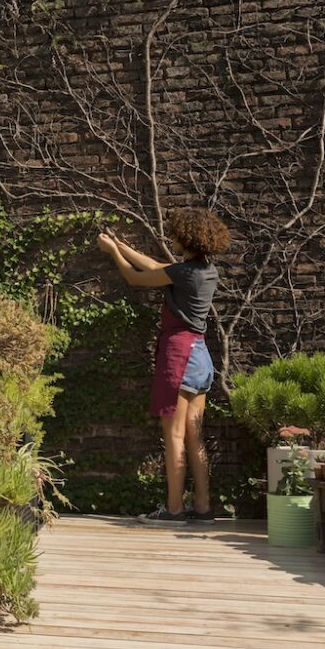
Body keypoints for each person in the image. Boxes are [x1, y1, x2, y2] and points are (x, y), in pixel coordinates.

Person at [97, 209, 231, 525]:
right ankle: (202, 507)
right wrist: (121, 243)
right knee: (194, 435)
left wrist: (113, 252)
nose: (172, 239)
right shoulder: (205, 271)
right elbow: (159, 267)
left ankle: (173, 509)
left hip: (179, 356)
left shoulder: (184, 274)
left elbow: (136, 278)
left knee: (173, 435)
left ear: (186, 239)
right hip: (200, 357)